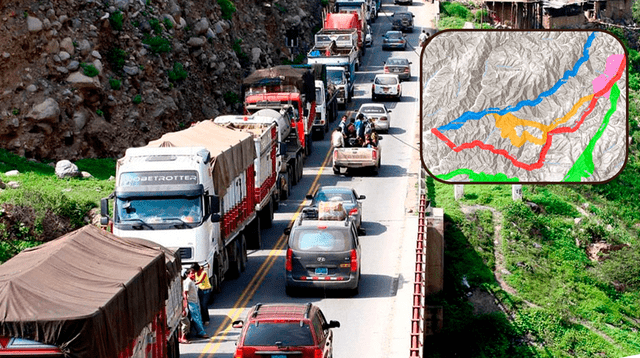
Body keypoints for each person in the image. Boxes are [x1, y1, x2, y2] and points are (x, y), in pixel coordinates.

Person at [183, 268, 208, 339]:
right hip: (191, 303)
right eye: (192, 273)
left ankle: (200, 331)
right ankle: (201, 332)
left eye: (194, 273)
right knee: (196, 318)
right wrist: (185, 304)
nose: (194, 275)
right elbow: (185, 293)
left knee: (198, 317)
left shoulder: (192, 281)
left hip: (195, 302)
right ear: (188, 274)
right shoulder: (188, 282)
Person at [178, 272, 191, 344]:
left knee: (181, 324)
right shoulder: (180, 288)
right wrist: (183, 309)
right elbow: (182, 299)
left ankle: (180, 337)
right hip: (181, 310)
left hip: (180, 309)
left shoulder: (180, 287)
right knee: (186, 323)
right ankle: (183, 337)